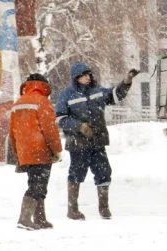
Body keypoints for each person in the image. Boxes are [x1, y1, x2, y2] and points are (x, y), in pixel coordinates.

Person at [55, 62, 139, 220]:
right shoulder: (66, 95)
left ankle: (104, 208)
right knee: (76, 173)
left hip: (97, 140)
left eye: (89, 74)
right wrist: (79, 126)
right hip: (77, 142)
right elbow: (60, 119)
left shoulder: (97, 91)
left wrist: (126, 82)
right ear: (76, 78)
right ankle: (72, 209)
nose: (88, 77)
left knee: (104, 172)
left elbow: (115, 95)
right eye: (83, 75)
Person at [9, 73, 63, 230]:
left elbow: (12, 133)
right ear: (44, 85)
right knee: (38, 186)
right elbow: (50, 129)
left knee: (36, 183)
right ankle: (24, 219)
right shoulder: (42, 102)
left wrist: (17, 155)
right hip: (40, 150)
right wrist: (57, 150)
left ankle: (40, 219)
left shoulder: (18, 103)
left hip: (25, 151)